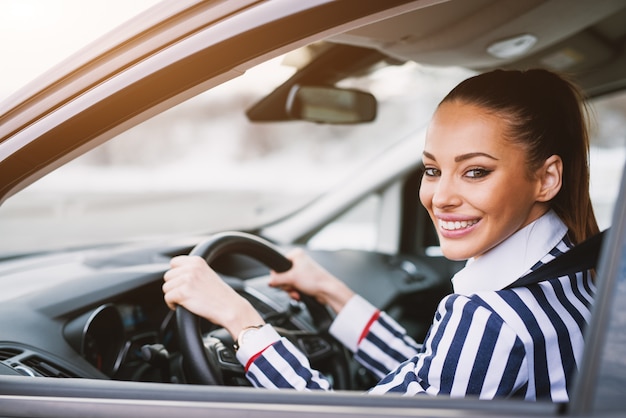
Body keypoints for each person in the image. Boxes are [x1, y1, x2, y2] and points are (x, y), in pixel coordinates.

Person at [162, 68, 599, 401]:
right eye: (432, 170)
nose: (440, 196)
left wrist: (242, 322)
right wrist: (332, 292)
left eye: (476, 172)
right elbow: (431, 377)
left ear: (546, 179)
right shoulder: (574, 270)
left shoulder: (492, 318)